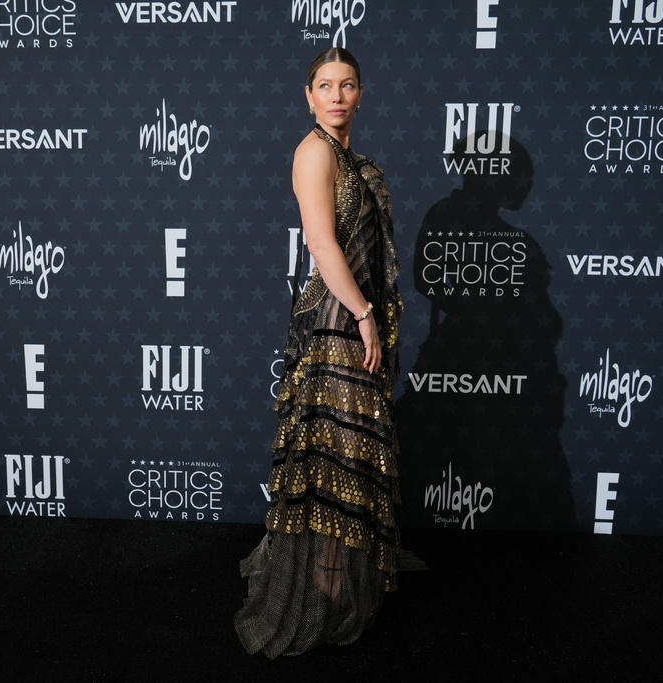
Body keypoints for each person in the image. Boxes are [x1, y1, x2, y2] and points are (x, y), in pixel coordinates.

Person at [233, 47, 403, 658]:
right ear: (308, 96)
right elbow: (322, 245)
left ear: (361, 95)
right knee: (334, 453)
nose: (335, 95)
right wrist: (365, 318)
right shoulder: (312, 153)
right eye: (324, 85)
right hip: (336, 319)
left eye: (347, 85)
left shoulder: (351, 158)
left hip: (352, 318)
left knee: (349, 451)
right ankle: (325, 587)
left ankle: (336, 581)